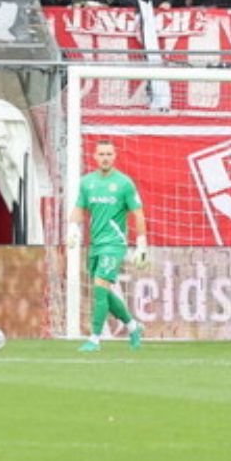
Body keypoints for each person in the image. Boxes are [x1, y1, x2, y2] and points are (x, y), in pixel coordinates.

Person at [73, 139, 147, 353]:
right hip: (95, 244)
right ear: (94, 157)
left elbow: (138, 214)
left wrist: (141, 244)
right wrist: (73, 229)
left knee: (99, 289)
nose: (105, 158)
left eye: (109, 154)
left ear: (114, 157)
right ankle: (133, 327)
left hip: (114, 245)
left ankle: (95, 338)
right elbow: (79, 209)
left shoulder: (124, 183)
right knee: (103, 291)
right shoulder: (87, 182)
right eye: (101, 154)